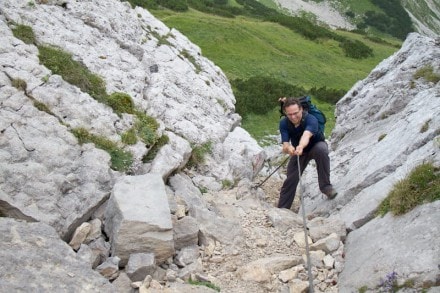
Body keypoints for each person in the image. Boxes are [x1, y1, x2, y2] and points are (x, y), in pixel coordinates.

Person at [277, 97, 337, 209]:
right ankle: (282, 208)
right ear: (285, 113)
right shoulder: (284, 123)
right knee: (291, 178)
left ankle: (326, 187)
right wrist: (289, 148)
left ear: (301, 109)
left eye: (296, 113)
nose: (293, 117)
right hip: (299, 152)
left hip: (315, 145)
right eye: (289, 114)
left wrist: (300, 146)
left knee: (322, 150)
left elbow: (306, 135)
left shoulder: (311, 119)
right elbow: (285, 144)